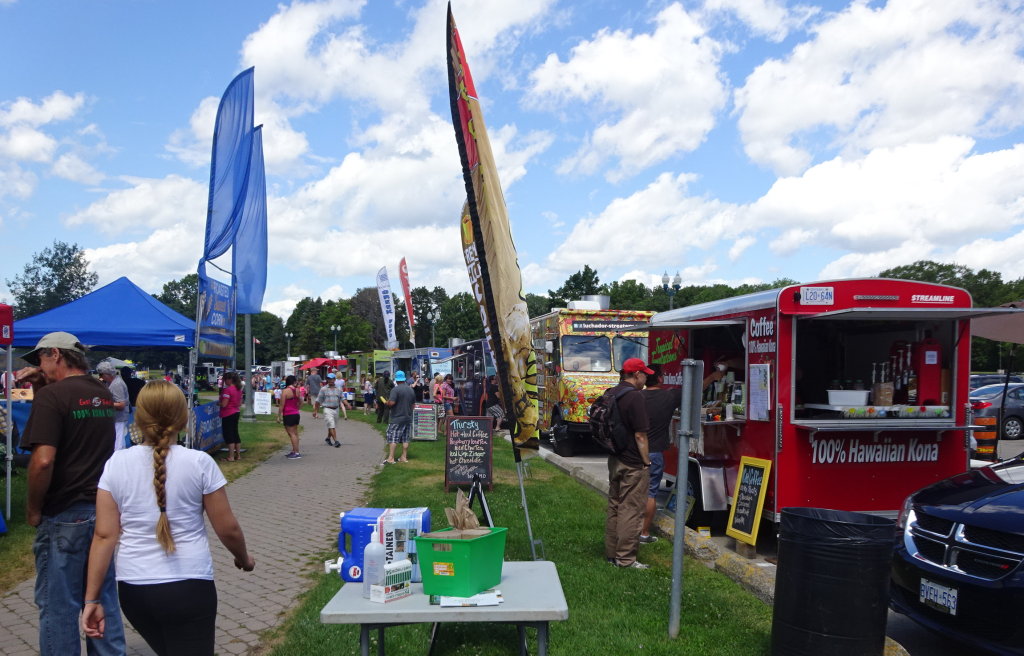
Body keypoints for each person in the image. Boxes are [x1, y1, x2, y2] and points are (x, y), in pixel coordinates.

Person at [81, 381, 255, 654]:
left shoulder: (116, 463)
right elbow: (228, 529)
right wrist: (244, 559)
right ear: (184, 417)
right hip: (189, 587)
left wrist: (91, 599)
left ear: (137, 417)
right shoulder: (199, 463)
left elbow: (104, 536)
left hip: (134, 590)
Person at [16, 332, 126, 655]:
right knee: (102, 597)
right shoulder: (102, 392)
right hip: (101, 511)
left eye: (40, 359)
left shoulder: (54, 397)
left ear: (56, 355)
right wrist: (41, 385)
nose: (38, 365)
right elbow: (70, 414)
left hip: (64, 513)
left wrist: (34, 508)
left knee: (59, 605)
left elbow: (43, 460)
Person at [603, 357, 653, 569]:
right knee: (631, 510)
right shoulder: (635, 397)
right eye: (644, 375)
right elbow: (640, 435)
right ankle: (625, 559)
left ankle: (611, 553)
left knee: (615, 505)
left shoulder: (611, 392)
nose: (645, 379)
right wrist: (646, 461)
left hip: (615, 458)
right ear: (635, 374)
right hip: (633, 461)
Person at [639, 364, 681, 544]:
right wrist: (713, 377)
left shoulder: (637, 397)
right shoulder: (669, 396)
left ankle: (628, 530)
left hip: (634, 451)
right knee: (650, 493)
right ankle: (644, 533)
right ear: (660, 378)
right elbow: (695, 388)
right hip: (654, 453)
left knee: (633, 492)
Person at [96, 360, 130, 452]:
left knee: (118, 445)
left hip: (119, 418)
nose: (100, 377)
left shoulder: (117, 384)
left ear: (107, 374)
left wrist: (103, 404)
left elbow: (121, 404)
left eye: (101, 375)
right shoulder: (110, 383)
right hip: (115, 418)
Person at [383, 371, 415, 464]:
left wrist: (387, 402)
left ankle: (391, 458)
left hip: (397, 418)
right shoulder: (410, 390)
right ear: (404, 379)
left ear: (396, 380)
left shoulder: (395, 390)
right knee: (405, 438)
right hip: (408, 418)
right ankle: (404, 457)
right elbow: (413, 405)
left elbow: (392, 403)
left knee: (392, 437)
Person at [313, 374, 344, 448]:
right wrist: (315, 411)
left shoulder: (339, 389)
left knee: (332, 426)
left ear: (334, 380)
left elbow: (342, 398)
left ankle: (328, 438)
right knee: (331, 424)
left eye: (331, 379)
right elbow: (318, 401)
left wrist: (348, 405)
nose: (329, 380)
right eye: (328, 379)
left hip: (336, 409)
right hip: (327, 409)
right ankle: (336, 441)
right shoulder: (323, 389)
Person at [220, 371, 243, 462]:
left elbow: (224, 404)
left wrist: (219, 404)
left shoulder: (228, 390)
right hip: (236, 412)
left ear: (230, 380)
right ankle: (238, 455)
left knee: (229, 434)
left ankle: (231, 456)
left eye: (225, 379)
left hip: (228, 413)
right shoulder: (239, 389)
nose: (224, 381)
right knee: (235, 433)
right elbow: (240, 403)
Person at [278, 375, 302, 459]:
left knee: (291, 434)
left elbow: (282, 405)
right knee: (295, 433)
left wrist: (278, 416)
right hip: (296, 413)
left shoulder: (285, 391)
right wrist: (296, 409)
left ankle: (296, 452)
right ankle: (295, 450)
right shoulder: (297, 391)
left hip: (288, 414)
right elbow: (301, 402)